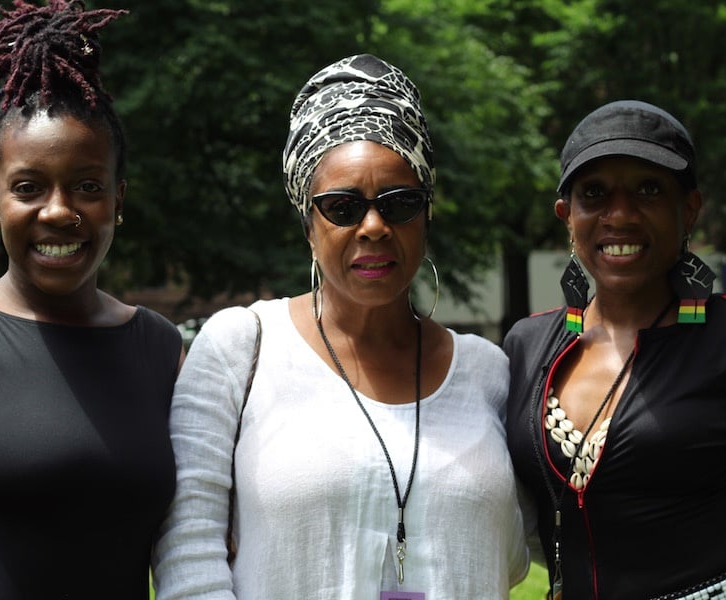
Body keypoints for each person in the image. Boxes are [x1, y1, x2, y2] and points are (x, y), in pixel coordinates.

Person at [152, 53, 529, 599]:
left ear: (428, 214)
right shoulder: (241, 348)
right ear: (308, 222)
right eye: (342, 206)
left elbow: (515, 553)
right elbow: (187, 553)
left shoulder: (489, 374)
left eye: (399, 203)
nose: (374, 226)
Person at [0, 1, 184, 598]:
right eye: (29, 188)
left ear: (117, 199)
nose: (59, 212)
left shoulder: (162, 348)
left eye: (88, 186)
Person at [502, 99, 726, 599]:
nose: (619, 215)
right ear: (567, 215)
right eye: (594, 194)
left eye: (649, 190)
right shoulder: (526, 348)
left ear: (688, 209)